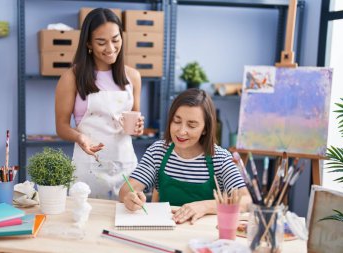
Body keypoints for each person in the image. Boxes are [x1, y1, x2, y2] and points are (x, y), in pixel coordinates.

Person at [119, 89, 251, 224]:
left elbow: (247, 201)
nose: (181, 131)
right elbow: (126, 191)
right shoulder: (158, 152)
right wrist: (130, 198)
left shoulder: (220, 159)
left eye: (191, 125)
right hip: (165, 233)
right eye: (176, 121)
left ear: (205, 128)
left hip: (205, 237)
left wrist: (204, 206)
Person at [55, 8, 144, 200]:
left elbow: (135, 125)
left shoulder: (133, 77)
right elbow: (61, 127)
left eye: (115, 39)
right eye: (101, 42)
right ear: (88, 43)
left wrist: (138, 128)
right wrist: (80, 138)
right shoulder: (71, 78)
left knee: (126, 222)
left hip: (125, 168)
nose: (110, 48)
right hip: (89, 169)